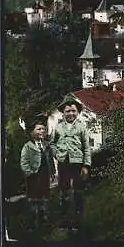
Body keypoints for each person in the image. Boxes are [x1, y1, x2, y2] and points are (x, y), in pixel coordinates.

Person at [50, 95, 91, 231]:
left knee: (78, 191)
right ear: (63, 112)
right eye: (68, 111)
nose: (71, 113)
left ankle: (78, 222)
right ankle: (64, 221)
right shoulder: (58, 128)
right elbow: (52, 144)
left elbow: (86, 147)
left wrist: (86, 165)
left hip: (78, 163)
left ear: (78, 113)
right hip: (64, 163)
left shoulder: (81, 128)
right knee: (64, 191)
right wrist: (56, 154)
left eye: (73, 111)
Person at [20, 114, 55, 230]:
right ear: (32, 132)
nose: (42, 131)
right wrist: (29, 173)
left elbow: (50, 159)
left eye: (43, 129)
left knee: (44, 198)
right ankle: (32, 222)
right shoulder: (28, 146)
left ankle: (44, 220)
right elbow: (24, 162)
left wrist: (53, 172)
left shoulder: (46, 145)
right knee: (33, 199)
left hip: (44, 176)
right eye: (39, 129)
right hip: (33, 177)